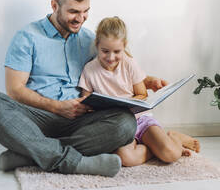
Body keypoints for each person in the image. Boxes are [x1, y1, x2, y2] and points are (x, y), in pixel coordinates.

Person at [0, 0, 166, 177]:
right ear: (54, 5)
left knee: (125, 123)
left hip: (80, 120)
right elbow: (14, 90)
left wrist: (148, 81)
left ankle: (30, 154)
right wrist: (56, 107)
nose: (81, 18)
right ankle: (74, 162)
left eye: (85, 11)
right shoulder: (27, 37)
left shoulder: (90, 39)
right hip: (37, 118)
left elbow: (119, 65)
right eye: (74, 11)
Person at [78, 16, 200, 167]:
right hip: (117, 126)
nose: (111, 57)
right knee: (126, 158)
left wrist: (127, 105)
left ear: (124, 46)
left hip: (140, 120)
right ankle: (154, 148)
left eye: (117, 51)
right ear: (97, 45)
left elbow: (142, 94)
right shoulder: (89, 70)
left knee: (171, 154)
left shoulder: (129, 63)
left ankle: (173, 137)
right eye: (105, 51)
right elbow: (85, 102)